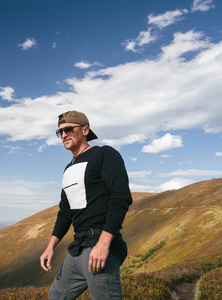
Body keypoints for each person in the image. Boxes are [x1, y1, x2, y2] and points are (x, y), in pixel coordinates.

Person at [40, 110, 133, 300]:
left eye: (68, 129)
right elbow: (65, 211)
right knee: (56, 296)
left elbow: (120, 196)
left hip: (99, 245)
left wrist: (103, 243)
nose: (64, 135)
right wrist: (51, 246)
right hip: (77, 248)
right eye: (60, 132)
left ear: (85, 130)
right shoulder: (69, 168)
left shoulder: (104, 154)